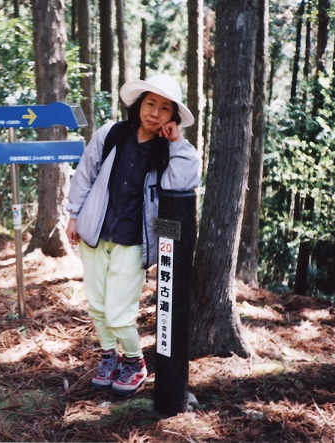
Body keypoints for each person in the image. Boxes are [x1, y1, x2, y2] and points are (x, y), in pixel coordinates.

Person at [65, 74, 201, 395]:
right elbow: (85, 174)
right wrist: (73, 215)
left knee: (119, 311)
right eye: (150, 104)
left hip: (134, 240)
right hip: (95, 232)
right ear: (139, 104)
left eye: (164, 109)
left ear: (173, 116)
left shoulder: (171, 150)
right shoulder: (111, 134)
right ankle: (109, 356)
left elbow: (182, 183)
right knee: (97, 306)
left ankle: (134, 362)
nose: (154, 113)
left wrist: (177, 142)